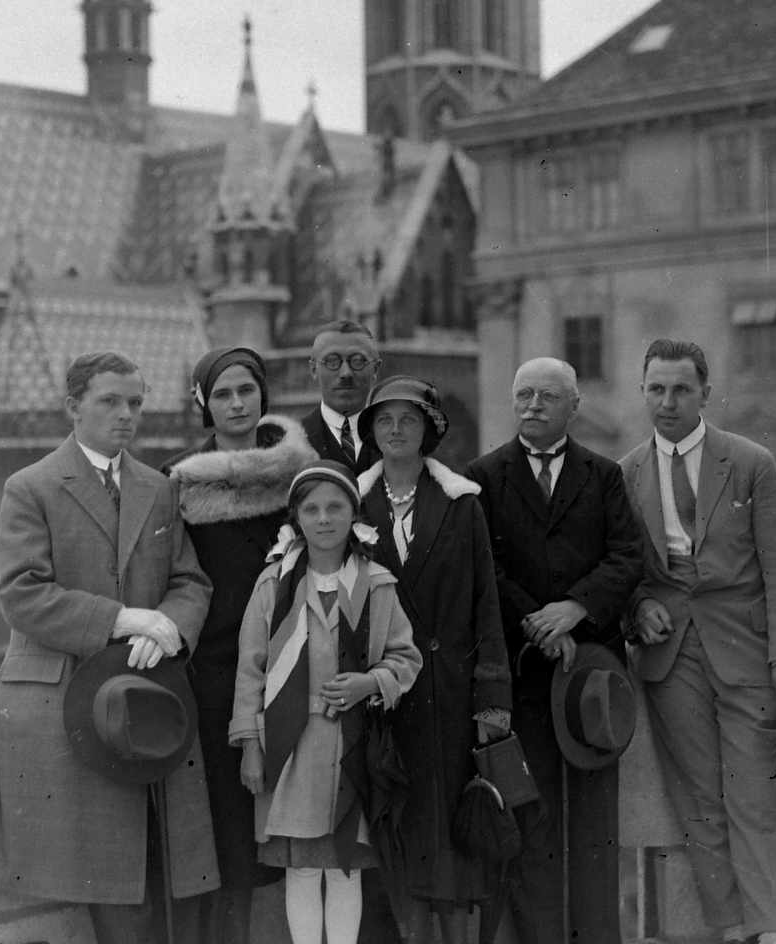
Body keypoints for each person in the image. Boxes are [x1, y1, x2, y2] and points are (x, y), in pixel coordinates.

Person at [0, 351, 217, 944]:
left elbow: (190, 581)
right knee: (111, 884)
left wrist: (171, 628)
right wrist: (122, 618)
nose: (126, 415)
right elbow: (20, 594)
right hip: (70, 704)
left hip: (147, 694)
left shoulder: (158, 488)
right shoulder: (30, 486)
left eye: (135, 402)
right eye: (110, 401)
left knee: (157, 874)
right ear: (73, 407)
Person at [621, 339, 776, 944]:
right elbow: (619, 569)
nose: (668, 401)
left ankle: (771, 929)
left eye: (681, 389)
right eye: (657, 388)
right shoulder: (624, 474)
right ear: (643, 391)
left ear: (705, 392)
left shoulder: (750, 461)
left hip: (746, 649)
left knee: (754, 793)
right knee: (698, 798)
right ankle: (730, 927)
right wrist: (638, 606)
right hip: (671, 654)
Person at [466, 357, 643, 944]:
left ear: (574, 406)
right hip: (522, 672)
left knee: (594, 821)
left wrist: (574, 609)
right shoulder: (485, 476)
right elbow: (484, 568)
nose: (533, 405)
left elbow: (626, 557)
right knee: (531, 814)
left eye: (547, 396)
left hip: (590, 674)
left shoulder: (603, 475)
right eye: (523, 395)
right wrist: (540, 622)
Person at [230, 462, 421, 944]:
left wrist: (370, 683)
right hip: (289, 747)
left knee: (344, 869)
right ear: (297, 519)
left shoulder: (376, 585)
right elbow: (250, 671)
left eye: (335, 507)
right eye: (311, 509)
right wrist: (251, 745)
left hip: (350, 746)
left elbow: (405, 656)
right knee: (300, 870)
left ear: (354, 515)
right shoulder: (274, 585)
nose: (323, 519)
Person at [166, 346, 318, 944]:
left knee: (300, 831)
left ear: (263, 397)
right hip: (216, 678)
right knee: (229, 837)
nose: (236, 404)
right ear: (205, 403)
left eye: (246, 391)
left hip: (298, 666)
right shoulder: (180, 484)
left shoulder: (300, 474)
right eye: (223, 394)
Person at [356, 377, 512, 944]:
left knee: (452, 848)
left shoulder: (460, 504)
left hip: (449, 695)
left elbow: (485, 606)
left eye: (409, 420)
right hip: (384, 698)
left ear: (430, 431)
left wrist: (493, 702)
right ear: (371, 432)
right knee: (395, 839)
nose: (396, 430)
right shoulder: (350, 504)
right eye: (385, 421)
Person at [302, 320, 385, 477]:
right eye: (332, 361)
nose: (346, 373)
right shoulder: (293, 441)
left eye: (358, 361)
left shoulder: (397, 438)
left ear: (375, 369)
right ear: (313, 369)